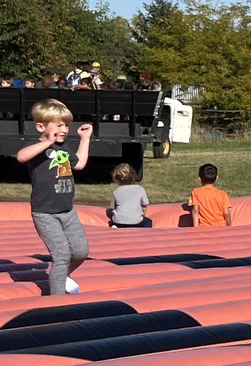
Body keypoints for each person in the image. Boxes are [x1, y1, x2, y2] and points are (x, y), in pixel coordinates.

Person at [16, 99, 92, 295]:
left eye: (66, 125)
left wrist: (85, 139)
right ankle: (57, 300)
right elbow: (21, 157)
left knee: (81, 252)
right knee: (62, 255)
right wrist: (48, 141)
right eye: (58, 125)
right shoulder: (39, 149)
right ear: (41, 126)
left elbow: (79, 164)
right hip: (45, 213)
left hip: (67, 210)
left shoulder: (64, 147)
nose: (64, 129)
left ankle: (60, 276)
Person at [107, 162, 151, 228]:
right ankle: (144, 231)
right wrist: (142, 216)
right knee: (149, 222)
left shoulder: (116, 192)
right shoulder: (140, 189)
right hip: (136, 221)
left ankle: (114, 225)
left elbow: (113, 208)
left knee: (111, 213)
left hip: (118, 221)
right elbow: (144, 206)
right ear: (133, 177)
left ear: (117, 179)